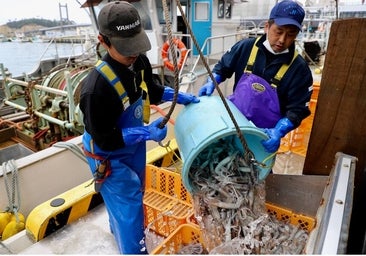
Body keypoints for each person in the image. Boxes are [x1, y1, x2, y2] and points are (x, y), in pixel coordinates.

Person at [79, 1, 199, 254]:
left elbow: (152, 91)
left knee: (134, 197)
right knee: (129, 209)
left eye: (136, 44)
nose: (133, 53)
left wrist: (177, 95)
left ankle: (119, 234)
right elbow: (104, 138)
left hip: (132, 148)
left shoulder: (139, 61)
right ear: (103, 41)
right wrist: (146, 132)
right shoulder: (96, 89)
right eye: (126, 48)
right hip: (107, 156)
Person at [199, 0, 313, 154]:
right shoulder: (245, 47)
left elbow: (297, 109)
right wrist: (212, 81)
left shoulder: (300, 70)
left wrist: (278, 132)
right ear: (267, 26)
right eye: (278, 31)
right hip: (231, 126)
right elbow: (222, 68)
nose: (282, 40)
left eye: (290, 34)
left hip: (262, 139)